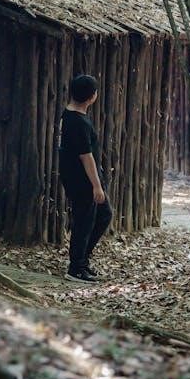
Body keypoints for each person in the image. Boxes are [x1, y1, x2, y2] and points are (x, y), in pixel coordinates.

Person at [58, 74, 112, 283]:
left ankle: (81, 260)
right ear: (92, 97)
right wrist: (96, 185)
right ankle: (76, 268)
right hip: (81, 179)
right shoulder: (77, 122)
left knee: (103, 214)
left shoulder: (70, 115)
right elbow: (86, 156)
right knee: (84, 221)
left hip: (79, 177)